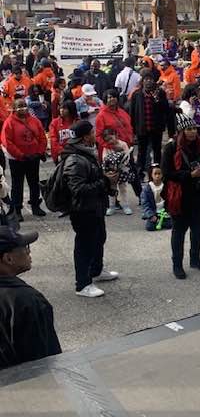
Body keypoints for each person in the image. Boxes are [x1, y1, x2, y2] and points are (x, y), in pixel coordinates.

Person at [62, 120, 119, 298]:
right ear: (85, 137)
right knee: (84, 245)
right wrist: (104, 182)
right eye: (93, 132)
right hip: (83, 210)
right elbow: (78, 189)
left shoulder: (86, 153)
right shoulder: (74, 159)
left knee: (99, 237)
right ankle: (83, 284)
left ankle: (96, 270)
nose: (96, 135)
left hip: (95, 207)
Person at [161, 112, 200, 279]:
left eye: (194, 128)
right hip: (180, 196)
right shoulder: (171, 148)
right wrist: (189, 175)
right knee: (179, 231)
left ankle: (195, 258)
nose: (192, 132)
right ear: (181, 131)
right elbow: (167, 173)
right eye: (189, 129)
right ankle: (177, 264)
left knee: (198, 228)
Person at [0, 227, 61, 371]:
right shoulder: (26, 302)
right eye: (24, 247)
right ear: (8, 258)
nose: (29, 251)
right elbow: (43, 361)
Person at [1, 97, 47, 220]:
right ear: (14, 109)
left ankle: (36, 205)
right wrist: (21, 155)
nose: (23, 109)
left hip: (33, 157)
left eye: (24, 106)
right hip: (17, 159)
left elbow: (42, 136)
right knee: (17, 185)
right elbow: (7, 142)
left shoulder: (34, 120)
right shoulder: (9, 122)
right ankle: (17, 210)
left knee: (34, 182)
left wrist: (40, 152)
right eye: (20, 107)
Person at [130, 73, 174, 179]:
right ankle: (140, 172)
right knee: (142, 151)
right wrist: (133, 129)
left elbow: (166, 110)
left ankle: (158, 172)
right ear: (142, 81)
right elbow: (133, 112)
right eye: (146, 79)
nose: (148, 81)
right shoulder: (137, 94)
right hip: (142, 128)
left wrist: (157, 100)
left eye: (150, 79)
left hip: (156, 128)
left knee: (157, 151)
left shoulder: (160, 93)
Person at [95, 89, 134, 162]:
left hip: (126, 147)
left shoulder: (122, 112)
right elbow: (98, 136)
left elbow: (129, 127)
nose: (112, 99)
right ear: (105, 100)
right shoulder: (101, 116)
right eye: (109, 97)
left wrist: (131, 140)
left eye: (114, 97)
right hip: (111, 151)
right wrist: (112, 147)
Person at [101, 128, 133, 215]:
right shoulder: (106, 147)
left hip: (122, 170)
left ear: (115, 135)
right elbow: (104, 158)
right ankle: (112, 206)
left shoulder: (123, 144)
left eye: (111, 138)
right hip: (112, 172)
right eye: (107, 140)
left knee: (123, 188)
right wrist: (110, 164)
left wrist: (121, 161)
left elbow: (127, 156)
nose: (110, 141)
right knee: (112, 189)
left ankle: (125, 205)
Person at [140, 163, 172, 231]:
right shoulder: (147, 188)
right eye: (155, 174)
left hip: (164, 212)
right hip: (154, 212)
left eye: (159, 173)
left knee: (170, 224)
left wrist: (168, 211)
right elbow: (145, 204)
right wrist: (151, 215)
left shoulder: (166, 186)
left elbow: (170, 200)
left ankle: (162, 221)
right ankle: (156, 221)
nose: (157, 176)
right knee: (149, 227)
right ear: (151, 175)